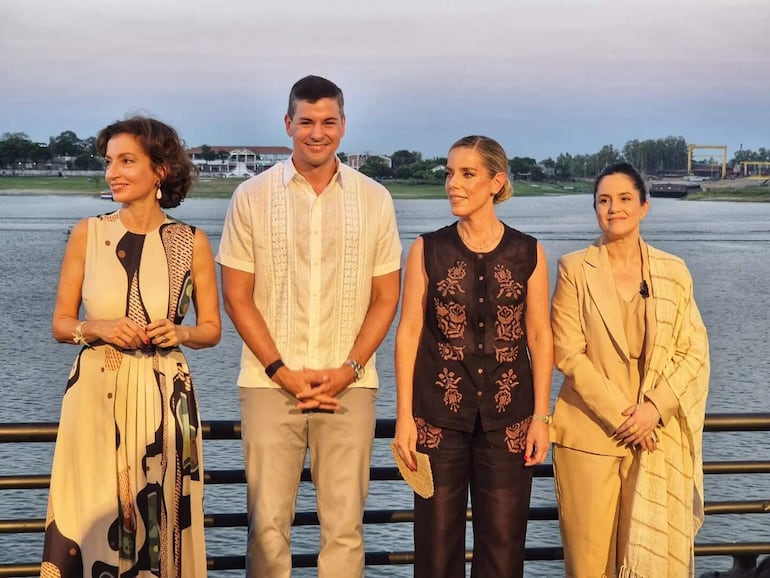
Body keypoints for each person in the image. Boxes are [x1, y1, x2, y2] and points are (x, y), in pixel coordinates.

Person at [216, 75, 402, 578]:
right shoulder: (250, 197)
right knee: (267, 527)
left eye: (328, 122)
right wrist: (280, 370)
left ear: (343, 125)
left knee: (344, 527)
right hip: (268, 385)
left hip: (350, 387)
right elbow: (236, 296)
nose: (316, 133)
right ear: (288, 124)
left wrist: (348, 369)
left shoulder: (375, 199)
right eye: (306, 122)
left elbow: (387, 297)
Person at [42, 116, 221, 577]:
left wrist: (180, 333)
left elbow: (211, 330)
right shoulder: (88, 234)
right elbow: (61, 325)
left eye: (126, 161)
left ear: (159, 170)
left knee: (160, 523)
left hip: (166, 398)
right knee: (88, 516)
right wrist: (96, 326)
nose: (112, 173)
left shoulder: (192, 242)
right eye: (109, 162)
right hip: (96, 397)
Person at [394, 135, 553, 578]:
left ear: (496, 182)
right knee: (435, 544)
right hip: (437, 420)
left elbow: (540, 337)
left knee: (503, 546)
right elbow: (408, 333)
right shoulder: (426, 250)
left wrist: (542, 417)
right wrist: (404, 417)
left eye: (467, 174)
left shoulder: (529, 252)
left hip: (510, 422)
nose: (453, 184)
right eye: (449, 173)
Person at [550, 161, 710, 577]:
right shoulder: (573, 268)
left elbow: (694, 351)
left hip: (657, 437)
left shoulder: (673, 272)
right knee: (589, 567)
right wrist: (628, 417)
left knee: (651, 563)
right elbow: (568, 353)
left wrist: (654, 409)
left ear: (644, 207)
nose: (613, 209)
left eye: (624, 199)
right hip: (590, 436)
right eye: (604, 200)